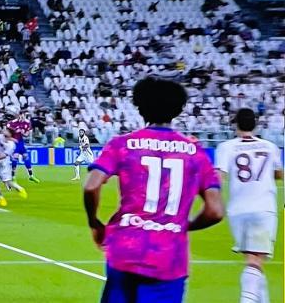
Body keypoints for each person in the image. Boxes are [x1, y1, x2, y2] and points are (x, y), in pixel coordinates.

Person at [83, 77, 224, 303]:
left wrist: (95, 222)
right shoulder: (195, 152)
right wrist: (183, 225)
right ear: (178, 110)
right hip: (169, 257)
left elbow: (91, 186)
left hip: (124, 249)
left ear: (140, 108)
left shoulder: (122, 144)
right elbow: (215, 211)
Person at [215, 108, 283, 303]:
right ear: (256, 124)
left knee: (253, 260)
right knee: (255, 261)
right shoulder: (270, 147)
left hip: (237, 210)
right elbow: (279, 174)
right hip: (263, 208)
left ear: (236, 124)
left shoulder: (226, 147)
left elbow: (219, 177)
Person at [0, 128, 28, 202]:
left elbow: (4, 155)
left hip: (4, 163)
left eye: (6, 131)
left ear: (10, 134)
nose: (4, 131)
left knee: (7, 181)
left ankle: (20, 189)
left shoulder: (11, 145)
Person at [7, 112, 40, 182]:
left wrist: (23, 133)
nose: (23, 117)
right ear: (18, 116)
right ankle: (13, 176)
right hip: (14, 143)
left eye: (24, 116)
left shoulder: (27, 123)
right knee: (15, 157)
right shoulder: (12, 123)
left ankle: (31, 176)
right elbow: (6, 135)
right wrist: (14, 134)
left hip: (21, 142)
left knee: (26, 157)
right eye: (21, 116)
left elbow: (27, 134)